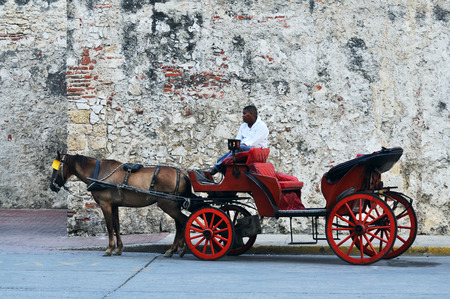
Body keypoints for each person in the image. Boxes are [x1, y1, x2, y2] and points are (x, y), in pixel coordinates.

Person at [209, 105, 269, 175]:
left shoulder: (261, 126)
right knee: (219, 160)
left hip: (257, 151)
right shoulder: (243, 126)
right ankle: (229, 178)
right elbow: (238, 139)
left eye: (244, 114)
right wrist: (234, 146)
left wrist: (238, 146)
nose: (242, 116)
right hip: (242, 148)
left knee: (239, 147)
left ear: (251, 114)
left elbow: (253, 142)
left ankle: (216, 168)